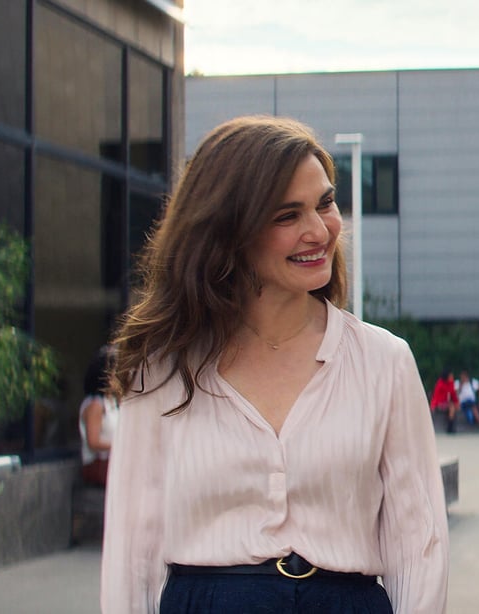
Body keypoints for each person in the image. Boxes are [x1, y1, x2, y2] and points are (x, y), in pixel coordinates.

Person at [101, 116, 448, 613]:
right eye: (287, 215)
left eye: (325, 203)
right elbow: (131, 553)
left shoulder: (384, 362)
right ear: (229, 230)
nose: (319, 230)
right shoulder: (161, 371)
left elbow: (420, 543)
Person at [78, 345, 119, 487]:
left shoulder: (111, 402)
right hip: (99, 466)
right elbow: (93, 442)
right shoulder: (95, 404)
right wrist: (120, 445)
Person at [429, 369, 459, 433]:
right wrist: (433, 406)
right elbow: (436, 396)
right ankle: (450, 427)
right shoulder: (440, 383)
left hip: (446, 404)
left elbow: (453, 395)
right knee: (452, 407)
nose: (452, 377)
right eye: (451, 376)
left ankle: (451, 425)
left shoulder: (451, 383)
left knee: (453, 407)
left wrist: (457, 403)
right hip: (438, 404)